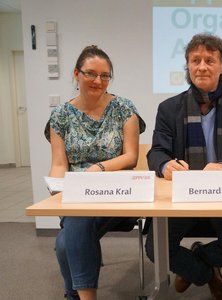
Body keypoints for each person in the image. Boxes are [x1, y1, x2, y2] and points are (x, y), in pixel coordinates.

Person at [145, 33, 222, 300]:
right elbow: (156, 151)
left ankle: (198, 256)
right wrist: (164, 165)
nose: (201, 66)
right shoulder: (169, 108)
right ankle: (206, 273)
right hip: (181, 197)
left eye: (210, 60)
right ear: (187, 66)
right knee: (156, 249)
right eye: (195, 60)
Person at [45, 45, 146, 300]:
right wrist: (56, 187)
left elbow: (131, 156)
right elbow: (59, 163)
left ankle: (74, 296)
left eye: (105, 75)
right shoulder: (60, 116)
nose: (98, 81)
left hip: (116, 193)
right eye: (91, 74)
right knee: (68, 236)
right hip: (78, 193)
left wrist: (98, 169)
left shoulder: (124, 108)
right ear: (76, 74)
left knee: (67, 239)